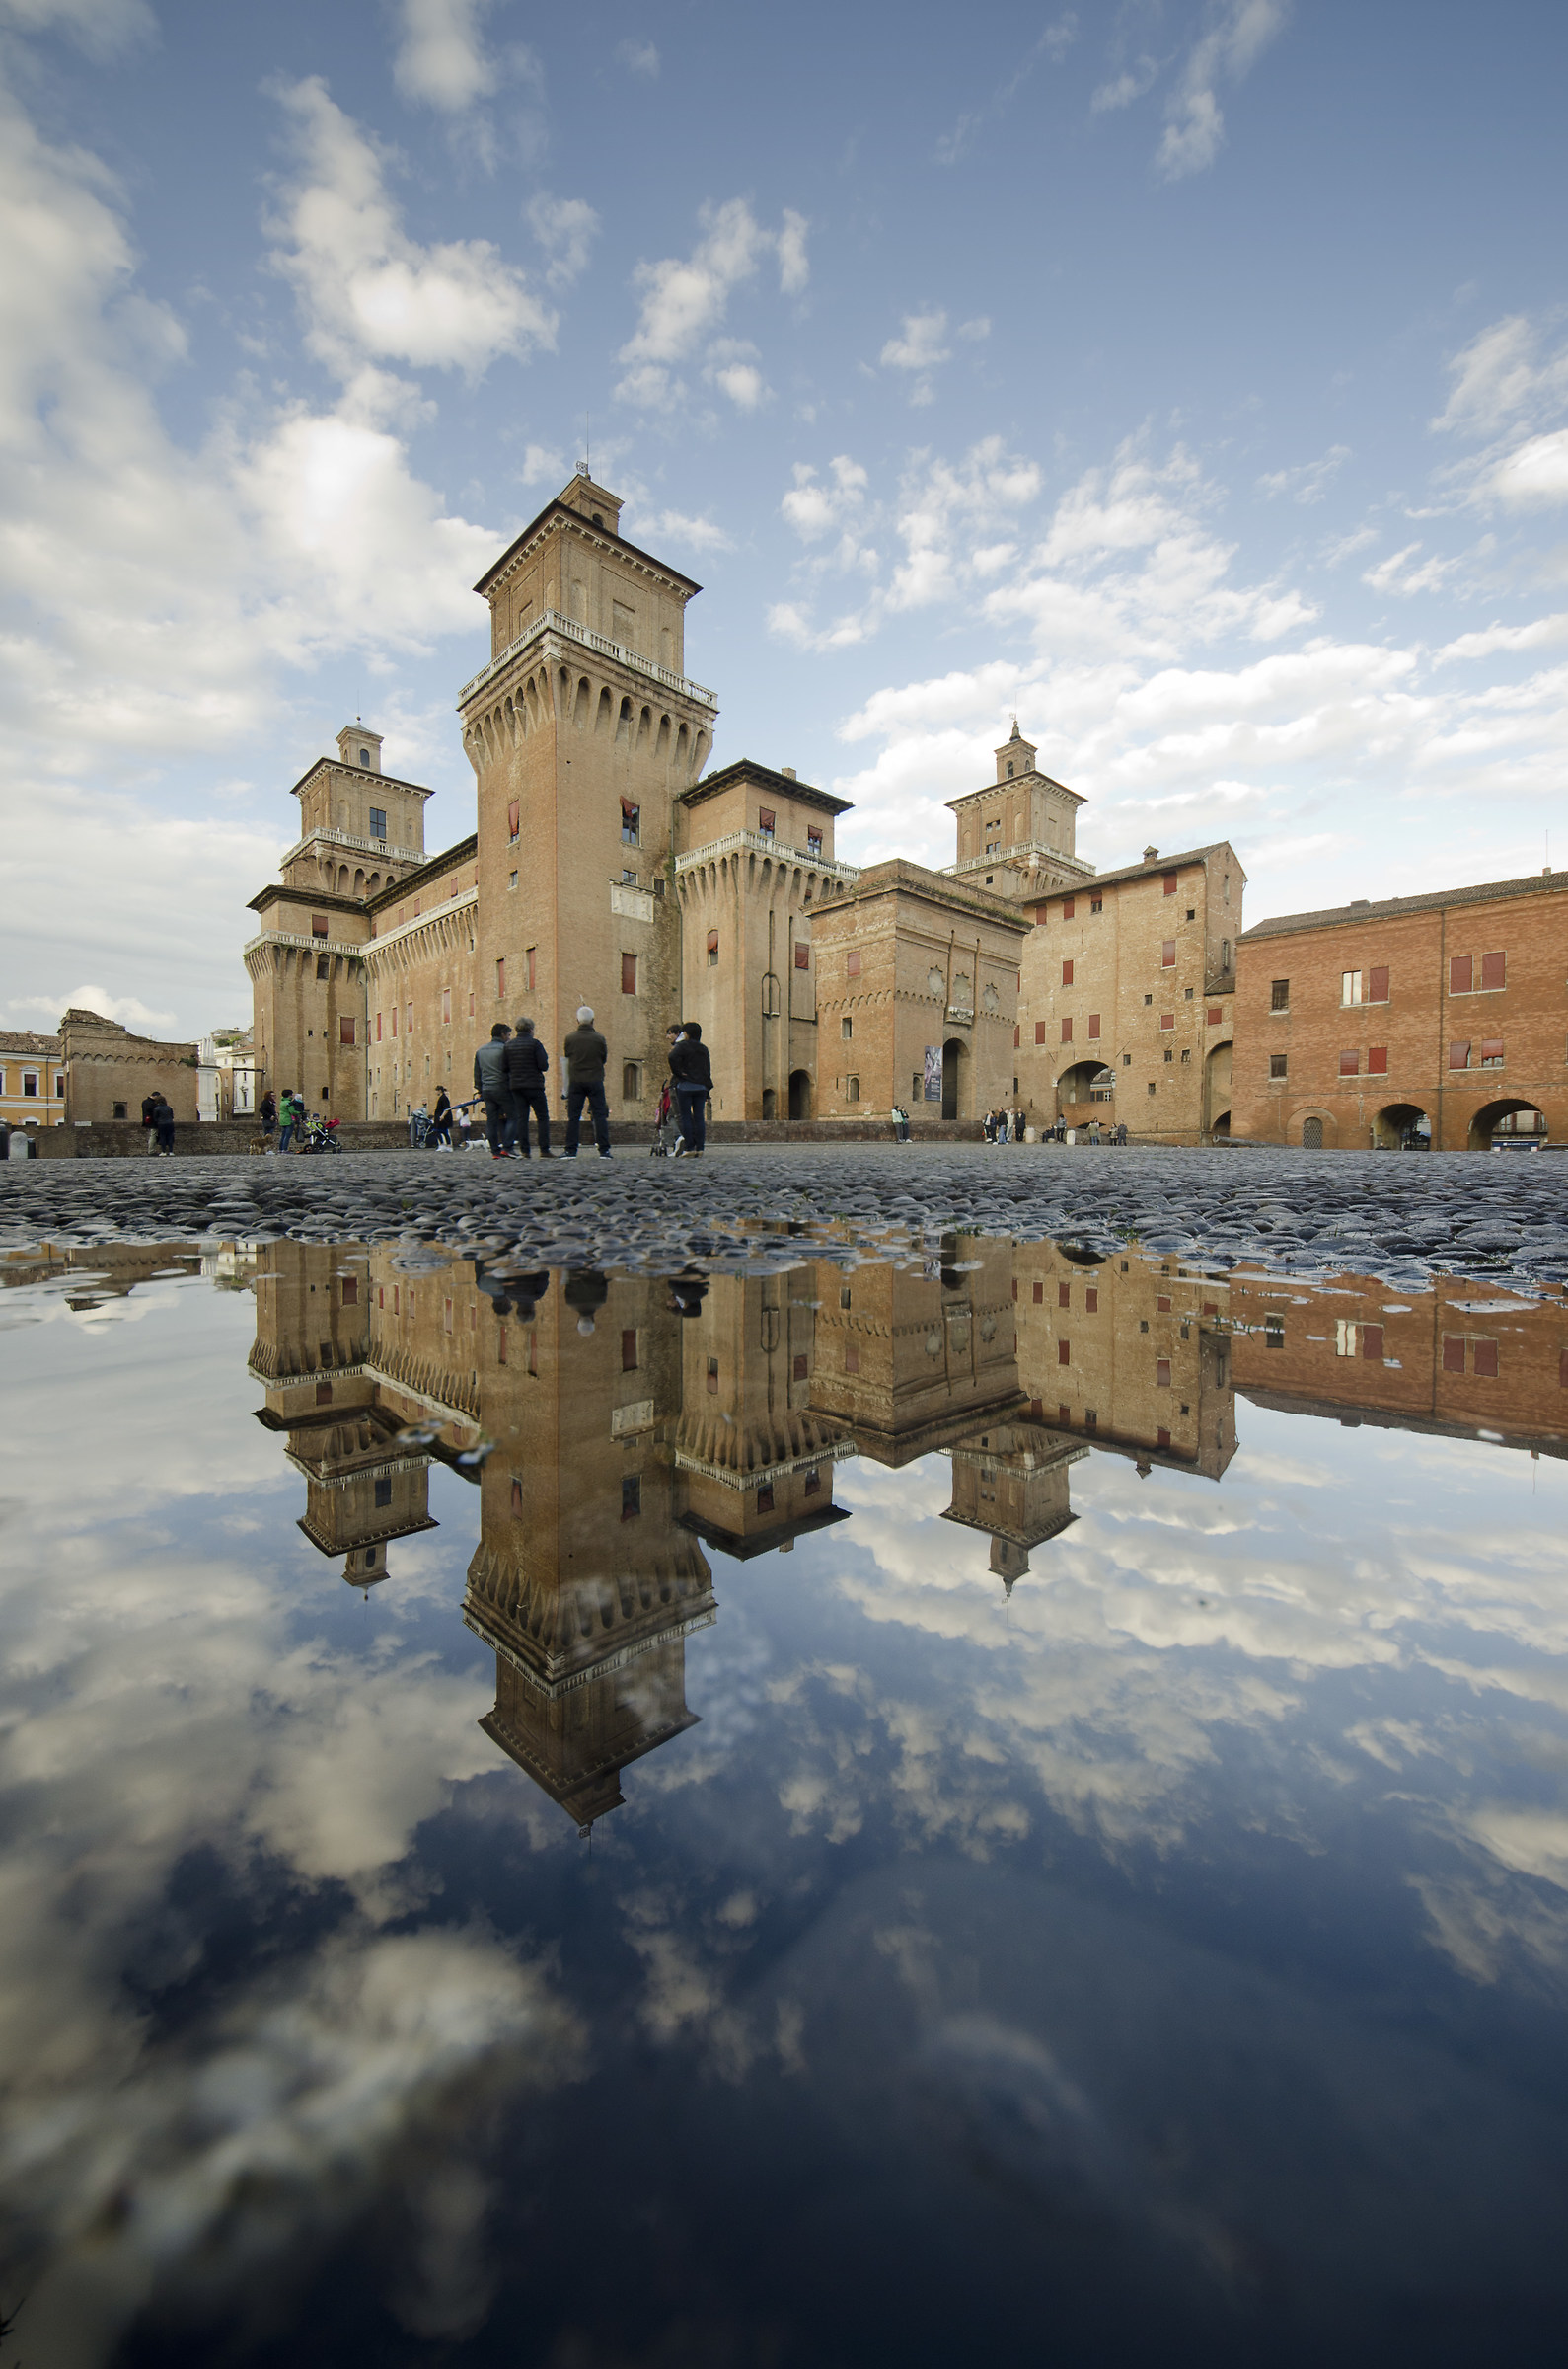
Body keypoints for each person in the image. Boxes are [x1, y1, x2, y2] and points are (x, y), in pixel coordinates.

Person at [562, 1005, 611, 1158]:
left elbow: (568, 1056)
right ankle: (604, 1150)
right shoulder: (599, 1038)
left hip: (576, 1080)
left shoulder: (570, 1038)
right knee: (599, 1115)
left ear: (577, 1020)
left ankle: (571, 1149)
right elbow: (603, 1058)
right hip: (595, 1079)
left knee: (574, 1116)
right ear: (593, 1020)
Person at [504, 1018, 553, 1158]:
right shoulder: (535, 1044)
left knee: (522, 1118)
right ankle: (544, 1149)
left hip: (516, 1086)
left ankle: (525, 1150)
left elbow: (504, 1067)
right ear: (531, 1029)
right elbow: (543, 1065)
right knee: (542, 1117)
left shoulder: (509, 1046)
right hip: (534, 1085)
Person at [669, 1020, 711, 1156]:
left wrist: (679, 1073)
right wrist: (707, 1088)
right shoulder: (703, 1049)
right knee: (699, 1118)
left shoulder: (682, 1046)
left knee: (685, 1116)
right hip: (701, 1086)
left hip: (685, 1086)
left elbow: (672, 1057)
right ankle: (700, 1148)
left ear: (686, 1034)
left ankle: (689, 1148)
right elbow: (707, 1070)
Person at [473, 1022, 514, 1159]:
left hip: (487, 1090)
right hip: (503, 1088)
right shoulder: (506, 1049)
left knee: (491, 1121)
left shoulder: (480, 1051)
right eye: (508, 1035)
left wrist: (479, 1089)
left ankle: (495, 1152)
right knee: (513, 1117)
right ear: (503, 1034)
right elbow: (510, 1071)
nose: (509, 1038)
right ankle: (507, 1147)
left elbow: (477, 1073)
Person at [154, 1091, 176, 1156]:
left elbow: (155, 1118)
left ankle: (163, 1151)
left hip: (161, 1124)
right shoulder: (169, 1108)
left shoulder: (156, 1109)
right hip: (170, 1123)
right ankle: (171, 1151)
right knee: (170, 1136)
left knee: (162, 1137)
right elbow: (172, 1116)